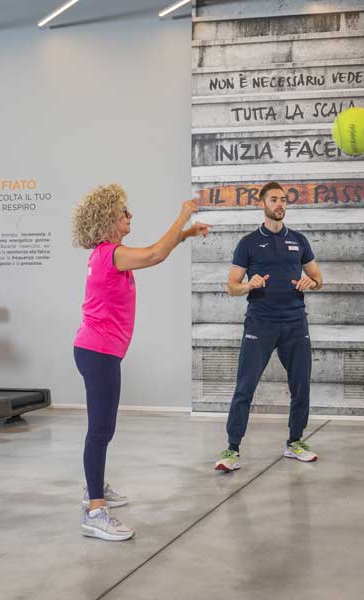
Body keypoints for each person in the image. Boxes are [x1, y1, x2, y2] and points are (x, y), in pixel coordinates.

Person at [72, 183, 209, 540]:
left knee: (103, 428)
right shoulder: (110, 254)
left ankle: (94, 488)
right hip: (98, 352)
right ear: (108, 221)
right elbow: (153, 255)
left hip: (97, 350)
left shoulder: (107, 254)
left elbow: (154, 252)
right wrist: (183, 215)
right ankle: (94, 511)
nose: (129, 216)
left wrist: (184, 234)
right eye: (123, 212)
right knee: (101, 430)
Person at [214, 182, 324, 472]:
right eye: (274, 199)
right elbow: (231, 287)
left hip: (295, 323)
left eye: (283, 200)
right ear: (261, 204)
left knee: (300, 386)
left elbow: (318, 278)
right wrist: (248, 284)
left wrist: (309, 282)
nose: (280, 204)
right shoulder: (248, 243)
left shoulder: (298, 240)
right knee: (245, 387)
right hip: (260, 323)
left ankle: (295, 442)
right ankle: (232, 448)